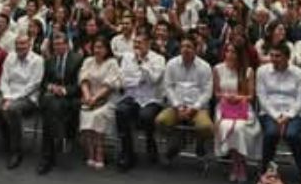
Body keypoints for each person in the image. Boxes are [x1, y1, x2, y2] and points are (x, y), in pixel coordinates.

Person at [256, 42, 301, 181]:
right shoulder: (262, 71)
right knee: (271, 134)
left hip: (294, 113)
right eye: (272, 55)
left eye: (278, 56)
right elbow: (262, 97)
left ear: (287, 57)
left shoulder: (300, 74)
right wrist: (275, 116)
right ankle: (265, 172)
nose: (273, 59)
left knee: (292, 135)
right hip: (269, 112)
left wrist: (288, 116)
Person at [156, 37, 214, 163]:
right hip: (177, 106)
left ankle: (198, 141)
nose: (185, 50)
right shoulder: (171, 64)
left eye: (189, 47)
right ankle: (177, 139)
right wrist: (178, 106)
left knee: (206, 127)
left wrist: (194, 108)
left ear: (196, 49)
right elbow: (168, 87)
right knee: (160, 121)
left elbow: (207, 92)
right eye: (182, 47)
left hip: (198, 108)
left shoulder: (205, 66)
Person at [0, 34, 44, 169]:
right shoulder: (10, 57)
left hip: (28, 97)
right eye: (18, 44)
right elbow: (4, 79)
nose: (20, 47)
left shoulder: (37, 60)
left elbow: (33, 85)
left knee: (11, 109)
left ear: (29, 45)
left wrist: (12, 100)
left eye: (23, 44)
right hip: (9, 94)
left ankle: (16, 151)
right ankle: (7, 139)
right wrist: (7, 96)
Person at [115, 33, 166, 170]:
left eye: (140, 43)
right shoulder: (126, 57)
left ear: (148, 44)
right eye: (135, 42)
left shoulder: (158, 59)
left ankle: (150, 140)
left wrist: (141, 63)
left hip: (152, 99)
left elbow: (153, 80)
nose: (136, 46)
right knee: (120, 110)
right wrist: (139, 80)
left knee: (145, 116)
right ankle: (128, 152)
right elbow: (123, 80)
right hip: (132, 97)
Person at [37, 32, 83, 174]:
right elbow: (44, 82)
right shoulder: (49, 60)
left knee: (49, 112)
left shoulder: (77, 60)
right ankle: (58, 140)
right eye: (55, 45)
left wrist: (63, 90)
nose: (57, 47)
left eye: (60, 44)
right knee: (50, 106)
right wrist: (51, 87)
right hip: (52, 97)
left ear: (67, 45)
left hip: (69, 97)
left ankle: (47, 156)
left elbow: (79, 85)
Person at [214, 44, 261, 183]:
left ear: (239, 54)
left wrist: (239, 97)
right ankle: (236, 164)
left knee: (239, 128)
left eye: (233, 52)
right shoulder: (217, 68)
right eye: (227, 51)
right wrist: (225, 96)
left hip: (243, 109)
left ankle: (240, 164)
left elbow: (251, 96)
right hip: (224, 108)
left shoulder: (248, 70)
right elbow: (216, 93)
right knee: (226, 126)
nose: (229, 54)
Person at [78, 36, 122, 170]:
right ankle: (90, 153)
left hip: (107, 99)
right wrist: (87, 97)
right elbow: (83, 80)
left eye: (101, 47)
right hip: (89, 98)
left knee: (98, 116)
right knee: (85, 115)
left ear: (107, 49)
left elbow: (109, 85)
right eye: (96, 47)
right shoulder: (88, 61)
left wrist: (95, 98)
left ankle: (99, 153)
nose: (98, 50)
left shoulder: (112, 63)